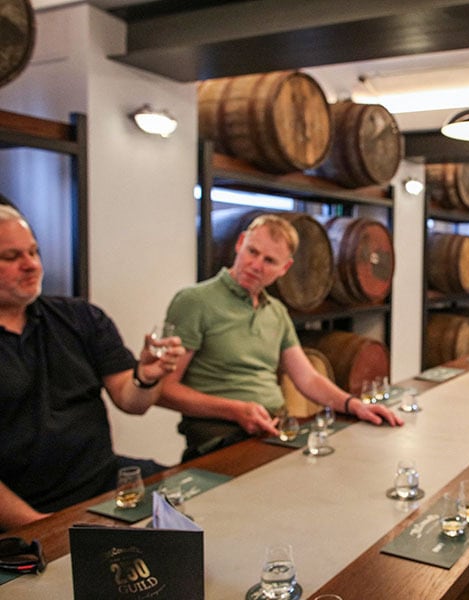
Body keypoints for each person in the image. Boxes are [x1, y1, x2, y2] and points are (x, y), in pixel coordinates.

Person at [158, 213, 402, 460]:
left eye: (269, 260)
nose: (256, 265)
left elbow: (307, 378)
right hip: (219, 438)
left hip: (273, 429)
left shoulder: (276, 311)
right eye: (252, 252)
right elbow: (164, 389)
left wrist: (353, 405)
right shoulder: (194, 301)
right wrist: (235, 410)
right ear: (240, 242)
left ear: (284, 268)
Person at [0, 205, 184, 531]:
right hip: (28, 509)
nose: (31, 265)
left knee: (200, 502)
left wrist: (146, 377)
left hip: (107, 483)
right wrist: (43, 528)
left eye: (33, 251)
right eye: (11, 257)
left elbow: (132, 402)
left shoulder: (80, 317)